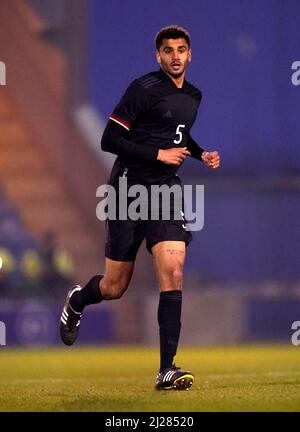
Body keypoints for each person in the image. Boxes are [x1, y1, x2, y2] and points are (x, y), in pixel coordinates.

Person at [60, 25, 220, 391]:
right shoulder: (142, 88)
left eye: (181, 49)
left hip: (164, 191)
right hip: (127, 191)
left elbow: (177, 133)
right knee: (115, 286)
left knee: (173, 267)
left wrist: (199, 153)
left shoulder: (194, 95)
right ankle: (77, 301)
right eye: (168, 50)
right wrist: (158, 154)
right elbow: (109, 139)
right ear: (158, 56)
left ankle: (167, 369)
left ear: (190, 55)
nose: (175, 56)